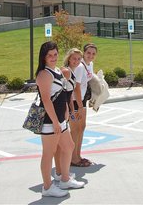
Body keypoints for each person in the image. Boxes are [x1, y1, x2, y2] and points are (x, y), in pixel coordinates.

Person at [35, 41, 84, 198]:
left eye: (55, 54)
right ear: (43, 57)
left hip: (60, 120)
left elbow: (62, 93)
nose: (53, 57)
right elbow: (46, 100)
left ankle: (64, 179)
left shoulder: (56, 70)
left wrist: (67, 109)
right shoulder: (44, 74)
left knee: (69, 146)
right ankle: (47, 187)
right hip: (50, 122)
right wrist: (55, 122)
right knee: (48, 153)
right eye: (49, 55)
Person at [53, 48, 83, 181]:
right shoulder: (65, 71)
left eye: (78, 59)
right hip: (60, 109)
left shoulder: (72, 72)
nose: (76, 61)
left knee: (65, 144)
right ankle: (60, 173)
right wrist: (67, 111)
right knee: (61, 144)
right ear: (68, 58)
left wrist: (72, 111)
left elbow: (69, 95)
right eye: (74, 58)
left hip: (65, 109)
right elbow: (61, 93)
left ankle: (61, 173)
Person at [69, 43, 98, 167]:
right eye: (88, 53)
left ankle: (78, 155)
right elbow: (76, 87)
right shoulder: (80, 66)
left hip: (83, 99)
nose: (90, 56)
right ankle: (72, 158)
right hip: (75, 101)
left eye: (93, 54)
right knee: (75, 129)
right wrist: (80, 107)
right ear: (84, 53)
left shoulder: (90, 65)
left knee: (82, 127)